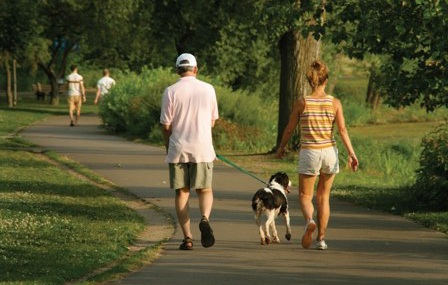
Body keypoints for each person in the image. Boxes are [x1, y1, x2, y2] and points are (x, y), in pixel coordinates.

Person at [276, 60, 359, 250]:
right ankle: (321, 239)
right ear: (325, 80)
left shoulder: (302, 103)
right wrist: (352, 154)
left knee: (305, 195)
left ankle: (309, 221)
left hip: (310, 152)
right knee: (324, 197)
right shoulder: (334, 103)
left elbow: (289, 129)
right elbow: (343, 130)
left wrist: (281, 147)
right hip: (329, 152)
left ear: (309, 80)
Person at [160, 53, 219, 250]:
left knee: (182, 192)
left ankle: (187, 238)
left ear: (177, 70)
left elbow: (166, 126)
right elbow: (212, 121)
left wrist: (167, 146)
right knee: (205, 189)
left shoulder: (170, 91)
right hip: (202, 148)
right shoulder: (208, 89)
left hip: (178, 148)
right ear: (195, 69)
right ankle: (204, 218)